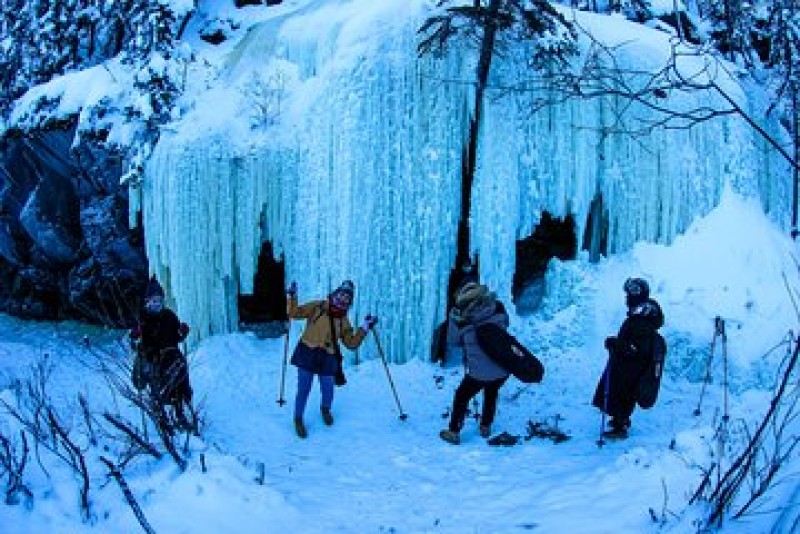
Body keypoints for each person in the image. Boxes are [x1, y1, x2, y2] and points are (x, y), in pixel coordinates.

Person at [286, 280, 377, 438]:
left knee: (328, 388)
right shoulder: (317, 307)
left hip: (328, 357)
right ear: (335, 293)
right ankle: (298, 419)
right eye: (341, 294)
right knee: (303, 389)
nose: (343, 299)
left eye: (347, 298)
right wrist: (292, 296)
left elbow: (351, 343)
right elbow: (294, 313)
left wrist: (364, 328)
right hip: (307, 352)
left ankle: (325, 409)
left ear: (349, 303)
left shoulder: (344, 321)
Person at [592, 277, 664, 439]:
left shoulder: (642, 321)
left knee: (623, 393)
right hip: (626, 364)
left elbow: (636, 349)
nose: (627, 297)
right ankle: (619, 420)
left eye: (631, 293)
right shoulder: (639, 315)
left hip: (631, 367)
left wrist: (616, 344)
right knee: (620, 392)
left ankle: (620, 425)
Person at [439, 282, 510, 445]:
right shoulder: (497, 307)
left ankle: (454, 431)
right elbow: (506, 323)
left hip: (479, 372)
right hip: (502, 367)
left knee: (462, 395)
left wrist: (454, 320)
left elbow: (453, 341)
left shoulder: (461, 318)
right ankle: (486, 426)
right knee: (491, 391)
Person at [130, 275, 193, 432]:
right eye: (153, 301)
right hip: (153, 359)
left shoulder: (169, 316)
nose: (157, 304)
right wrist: (136, 337)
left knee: (179, 383)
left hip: (171, 356)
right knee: (158, 389)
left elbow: (177, 338)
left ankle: (179, 414)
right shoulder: (142, 319)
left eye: (159, 300)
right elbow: (135, 344)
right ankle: (162, 418)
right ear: (147, 302)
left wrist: (183, 333)